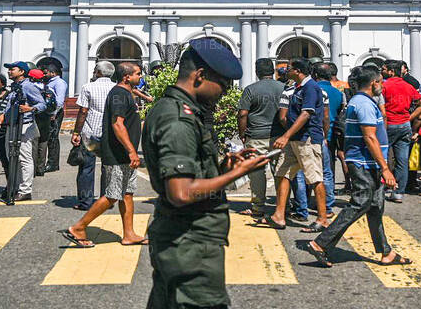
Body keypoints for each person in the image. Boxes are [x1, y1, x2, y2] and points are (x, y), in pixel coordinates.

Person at [141, 37, 271, 309]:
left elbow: (193, 171)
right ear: (199, 76)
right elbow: (181, 191)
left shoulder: (180, 110)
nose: (224, 93)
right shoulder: (178, 118)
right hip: (189, 241)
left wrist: (225, 167)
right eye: (222, 85)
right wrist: (238, 175)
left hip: (184, 238)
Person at [304, 65, 412, 269]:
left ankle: (385, 251)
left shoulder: (364, 101)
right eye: (380, 81)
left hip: (369, 163)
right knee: (360, 203)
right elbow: (370, 136)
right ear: (373, 83)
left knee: (375, 206)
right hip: (363, 163)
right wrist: (386, 168)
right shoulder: (363, 103)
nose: (382, 85)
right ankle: (320, 242)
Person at [62, 62, 147, 247]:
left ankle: (129, 234)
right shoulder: (118, 94)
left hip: (124, 154)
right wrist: (132, 151)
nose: (140, 77)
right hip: (118, 154)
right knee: (112, 195)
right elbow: (118, 124)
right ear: (127, 77)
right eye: (138, 74)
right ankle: (79, 227)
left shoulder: (124, 93)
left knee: (127, 193)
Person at [266, 58, 330, 230]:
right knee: (282, 173)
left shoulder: (311, 88)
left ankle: (322, 218)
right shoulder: (298, 88)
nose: (286, 70)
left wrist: (286, 135)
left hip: (306, 139)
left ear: (298, 71)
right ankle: (279, 215)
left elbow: (306, 114)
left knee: (314, 178)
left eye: (290, 68)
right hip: (295, 139)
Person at [237, 58, 284, 218]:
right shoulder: (283, 88)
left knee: (257, 172)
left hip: (256, 135)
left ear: (257, 72)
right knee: (281, 171)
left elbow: (243, 113)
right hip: (279, 136)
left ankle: (258, 207)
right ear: (273, 71)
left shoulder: (250, 90)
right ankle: (282, 206)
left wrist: (242, 133)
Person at [71, 61, 117, 210]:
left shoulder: (88, 87)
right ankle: (106, 200)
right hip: (110, 134)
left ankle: (86, 202)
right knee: (108, 167)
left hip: (90, 133)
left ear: (97, 72)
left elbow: (83, 111)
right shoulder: (116, 88)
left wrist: (76, 132)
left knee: (86, 168)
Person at [3, 61, 45, 202]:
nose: (9, 72)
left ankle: (25, 190)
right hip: (12, 125)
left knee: (24, 158)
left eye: (12, 69)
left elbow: (42, 104)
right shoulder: (16, 87)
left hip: (24, 125)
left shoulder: (28, 86)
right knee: (12, 157)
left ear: (22, 72)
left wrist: (31, 109)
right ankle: (14, 186)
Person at [381, 61, 421, 203]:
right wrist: (410, 117)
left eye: (384, 69)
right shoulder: (408, 86)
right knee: (402, 160)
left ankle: (382, 188)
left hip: (389, 124)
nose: (382, 71)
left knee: (382, 157)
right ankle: (398, 192)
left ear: (391, 71)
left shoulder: (384, 86)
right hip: (404, 125)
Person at [315, 63, 344, 213]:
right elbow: (339, 113)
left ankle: (315, 199)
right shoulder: (337, 93)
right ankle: (328, 200)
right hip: (331, 134)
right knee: (329, 169)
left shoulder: (313, 90)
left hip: (315, 134)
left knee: (313, 169)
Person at [40, 59, 69, 174]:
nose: (44, 75)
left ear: (53, 73)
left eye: (46, 72)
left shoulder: (59, 83)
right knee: (48, 137)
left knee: (53, 138)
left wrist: (54, 113)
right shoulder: (50, 83)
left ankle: (53, 163)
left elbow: (60, 100)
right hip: (49, 113)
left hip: (55, 113)